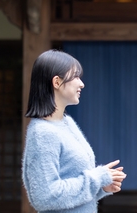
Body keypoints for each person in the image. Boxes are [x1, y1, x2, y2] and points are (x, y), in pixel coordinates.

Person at [22, 49, 126, 213]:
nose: (81, 84)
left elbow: (74, 187)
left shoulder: (67, 123)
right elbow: (45, 196)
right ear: (57, 82)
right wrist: (97, 177)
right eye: (76, 77)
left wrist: (101, 187)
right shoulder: (42, 133)